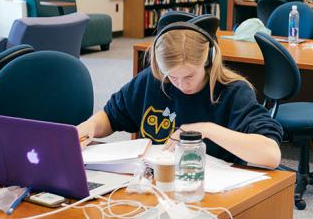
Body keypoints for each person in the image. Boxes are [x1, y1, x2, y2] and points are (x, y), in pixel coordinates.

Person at [76, 23, 282, 168]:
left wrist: (207, 130)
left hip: (207, 192)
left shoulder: (233, 92)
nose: (182, 84)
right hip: (153, 184)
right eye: (172, 77)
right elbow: (111, 117)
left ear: (208, 60)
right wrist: (90, 127)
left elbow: (270, 154)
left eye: (190, 75)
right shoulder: (153, 80)